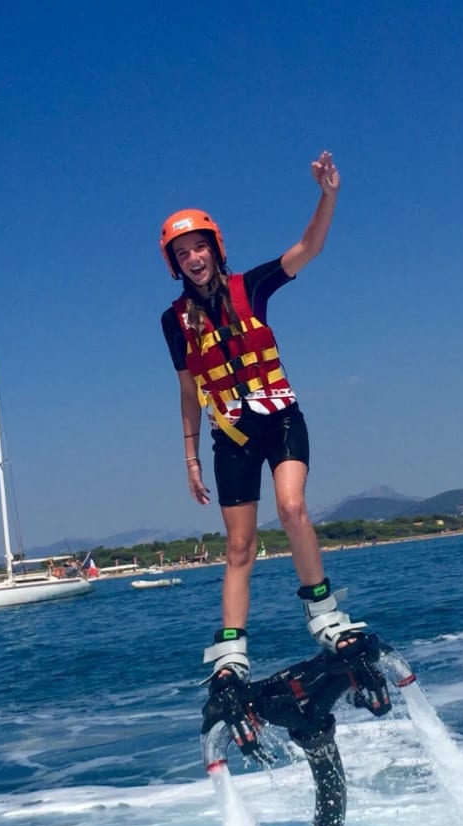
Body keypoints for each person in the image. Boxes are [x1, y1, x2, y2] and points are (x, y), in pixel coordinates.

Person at [158, 151, 389, 761]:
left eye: (199, 247)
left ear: (215, 246)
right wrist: (188, 456)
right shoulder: (173, 320)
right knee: (239, 547)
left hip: (281, 420)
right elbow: (189, 389)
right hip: (230, 435)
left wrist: (328, 195)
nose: (193, 259)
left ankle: (326, 618)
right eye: (182, 254)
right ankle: (231, 653)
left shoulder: (251, 286)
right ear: (174, 264)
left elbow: (307, 249)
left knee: (292, 508)